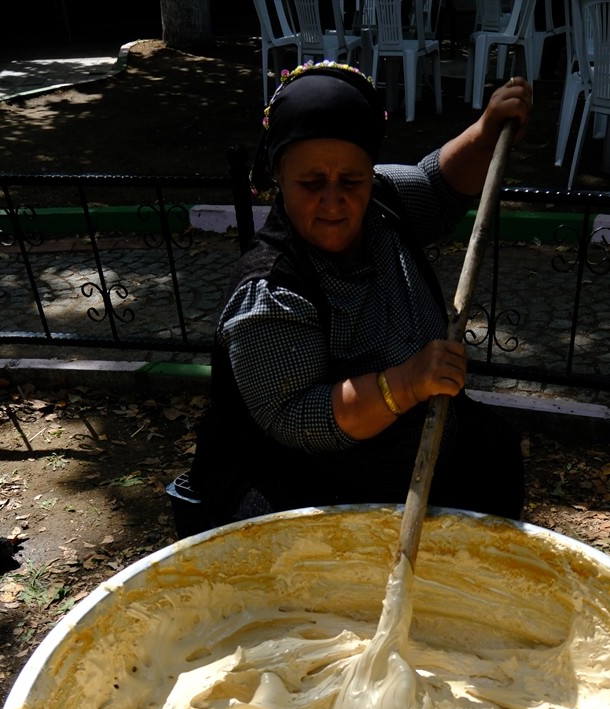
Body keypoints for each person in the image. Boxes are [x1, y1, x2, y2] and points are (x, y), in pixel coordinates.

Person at [182, 61, 533, 534]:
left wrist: (487, 130)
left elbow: (437, 184)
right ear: (278, 178)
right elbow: (299, 415)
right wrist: (405, 384)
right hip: (314, 485)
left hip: (423, 453)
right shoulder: (270, 291)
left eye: (351, 181)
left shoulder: (383, 200)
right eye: (311, 183)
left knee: (493, 453)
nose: (333, 200)